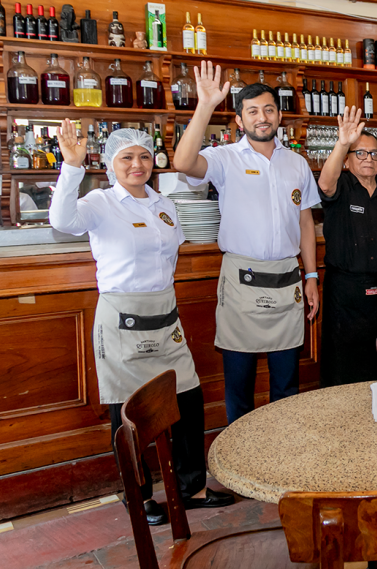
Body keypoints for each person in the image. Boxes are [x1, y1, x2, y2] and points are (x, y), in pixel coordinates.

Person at [49, 122, 234, 527]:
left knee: (187, 398)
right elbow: (62, 220)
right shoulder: (99, 202)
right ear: (111, 163)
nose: (138, 164)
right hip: (121, 317)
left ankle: (192, 487)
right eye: (127, 157)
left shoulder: (164, 204)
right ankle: (139, 494)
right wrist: (72, 168)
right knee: (128, 411)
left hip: (165, 314)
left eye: (144, 156)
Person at [173, 62, 321, 425]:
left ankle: (284, 453)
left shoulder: (297, 163)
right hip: (242, 279)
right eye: (252, 111)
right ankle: (238, 467)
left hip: (288, 278)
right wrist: (205, 104)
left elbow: (304, 221)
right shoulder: (224, 159)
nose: (262, 117)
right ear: (239, 121)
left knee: (286, 384)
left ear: (279, 115)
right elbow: (182, 161)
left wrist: (312, 276)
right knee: (239, 384)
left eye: (268, 109)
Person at [317, 107, 377, 385]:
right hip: (345, 292)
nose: (368, 158)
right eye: (360, 153)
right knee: (342, 364)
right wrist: (343, 142)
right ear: (347, 160)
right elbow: (324, 183)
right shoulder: (341, 187)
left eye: (373, 153)